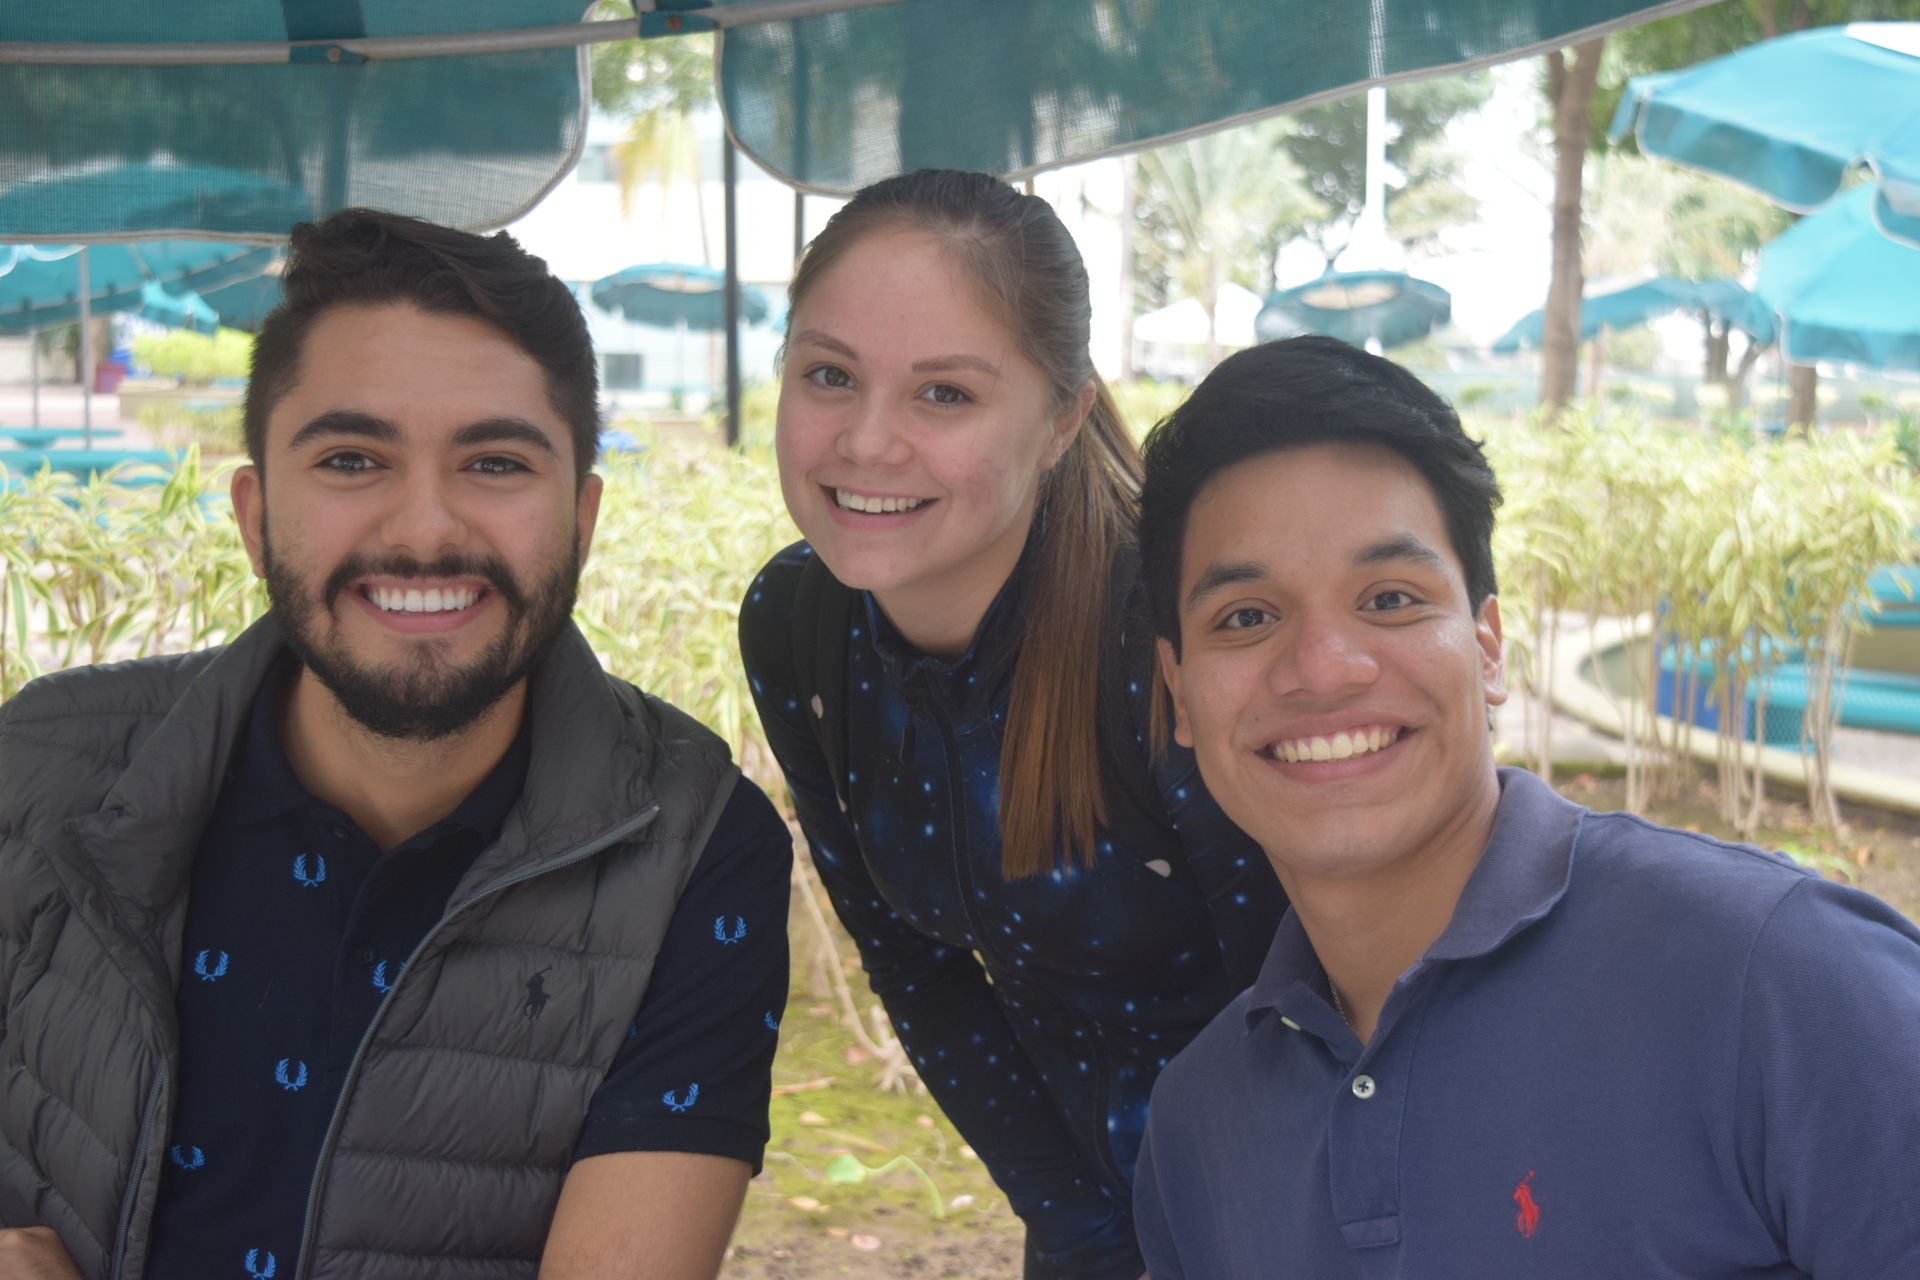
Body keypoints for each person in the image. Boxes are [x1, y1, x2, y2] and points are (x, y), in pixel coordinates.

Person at [0, 209, 792, 1280]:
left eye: (498, 462)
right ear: (254, 511)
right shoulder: (38, 764)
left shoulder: (693, 844)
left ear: (584, 516)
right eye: (352, 456)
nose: (424, 529)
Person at [1131, 335, 1920, 1278]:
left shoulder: (1783, 984)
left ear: (1489, 647)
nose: (1324, 668)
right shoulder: (1197, 1132)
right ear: (1179, 690)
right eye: (1247, 617)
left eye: (1388, 598)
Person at [737, 169, 1286, 1279]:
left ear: (1062, 414)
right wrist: (1080, 1224)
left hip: (1304, 1201)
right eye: (829, 375)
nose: (867, 442)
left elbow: (1308, 1002)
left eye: (944, 394)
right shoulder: (798, 622)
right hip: (1084, 1213)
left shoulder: (1170, 637)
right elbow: (914, 966)